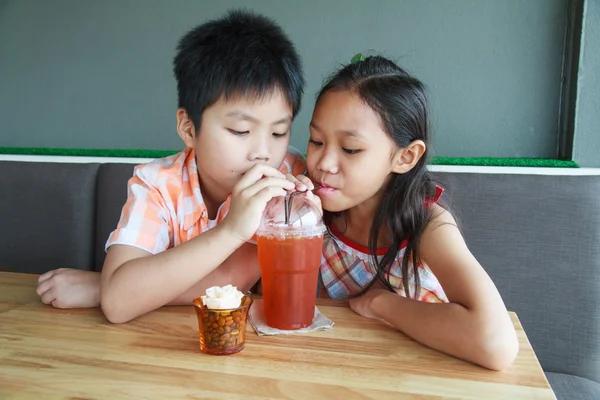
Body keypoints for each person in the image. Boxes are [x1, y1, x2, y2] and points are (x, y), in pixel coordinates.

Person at [35, 10, 306, 323]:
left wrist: (103, 287)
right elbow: (120, 304)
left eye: (278, 132)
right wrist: (232, 231)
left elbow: (231, 277)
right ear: (189, 129)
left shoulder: (290, 180)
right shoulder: (157, 184)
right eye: (241, 131)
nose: (263, 153)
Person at [290, 54, 518, 370]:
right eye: (316, 141)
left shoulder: (427, 225)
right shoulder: (310, 207)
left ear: (406, 156)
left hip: (418, 375)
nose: (322, 163)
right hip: (338, 369)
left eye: (350, 149)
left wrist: (381, 303)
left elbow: (496, 344)